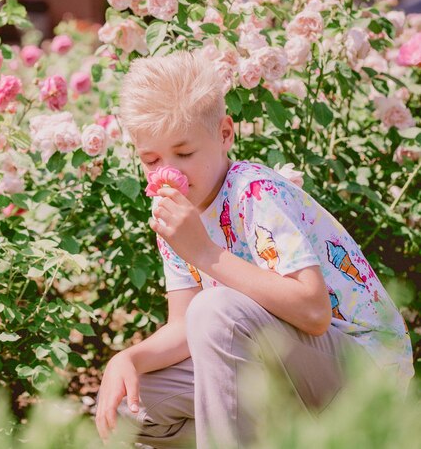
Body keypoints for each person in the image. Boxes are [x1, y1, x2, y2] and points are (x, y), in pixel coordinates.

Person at [94, 51, 414, 449]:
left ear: (225, 133)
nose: (168, 171)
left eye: (185, 153)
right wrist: (128, 359)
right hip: (281, 371)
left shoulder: (253, 191)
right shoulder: (175, 214)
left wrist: (205, 251)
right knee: (129, 407)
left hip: (359, 373)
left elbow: (313, 313)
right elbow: (182, 329)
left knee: (214, 310)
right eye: (151, 159)